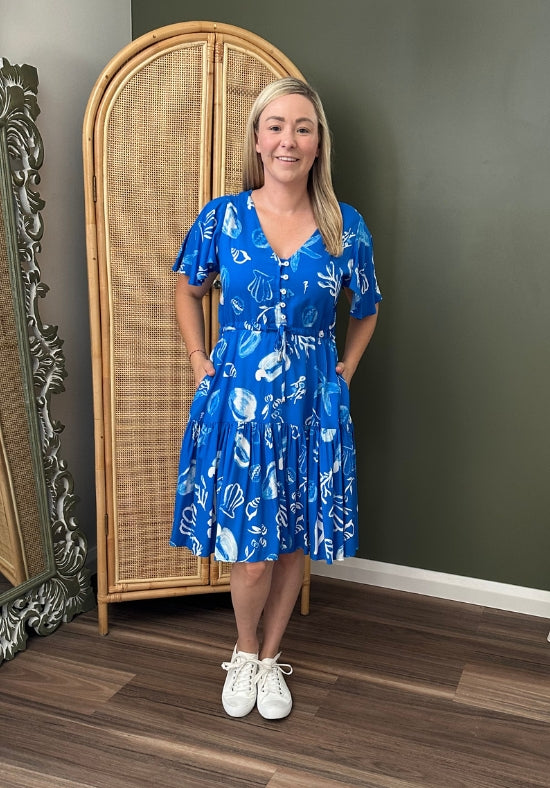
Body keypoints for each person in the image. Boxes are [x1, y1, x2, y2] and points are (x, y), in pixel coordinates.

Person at [170, 77, 381, 720]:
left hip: (312, 408)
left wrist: (343, 371)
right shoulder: (223, 217)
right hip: (239, 404)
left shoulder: (346, 227)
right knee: (251, 551)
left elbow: (367, 309)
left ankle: (270, 660)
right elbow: (186, 287)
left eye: (304, 128)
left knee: (292, 542)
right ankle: (242, 649)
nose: (289, 139)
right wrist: (201, 361)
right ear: (258, 142)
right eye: (276, 126)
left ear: (318, 147)